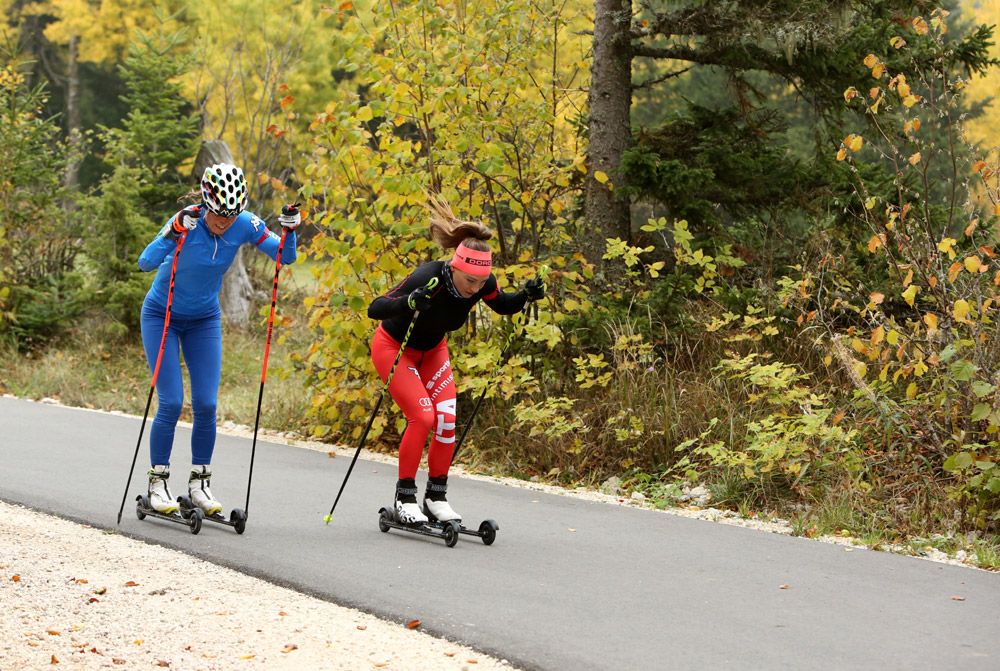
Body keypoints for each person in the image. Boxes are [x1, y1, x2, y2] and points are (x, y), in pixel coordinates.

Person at [367, 196, 545, 525]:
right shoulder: (429, 278)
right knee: (422, 416)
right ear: (455, 267)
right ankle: (405, 497)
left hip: (433, 351)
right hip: (394, 347)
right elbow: (375, 308)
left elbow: (503, 304)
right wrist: (409, 302)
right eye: (469, 281)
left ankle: (435, 497)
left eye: (481, 282)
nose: (474, 288)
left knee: (447, 417)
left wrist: (525, 295)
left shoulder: (482, 284)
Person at [137, 163, 300, 516]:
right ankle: (157, 484)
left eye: (230, 215)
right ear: (206, 204)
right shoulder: (187, 221)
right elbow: (144, 262)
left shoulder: (244, 222)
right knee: (171, 402)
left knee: (207, 405)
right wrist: (172, 231)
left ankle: (199, 484)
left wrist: (290, 231)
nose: (223, 222)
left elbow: (285, 256)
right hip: (161, 316)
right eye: (218, 215)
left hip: (204, 321)